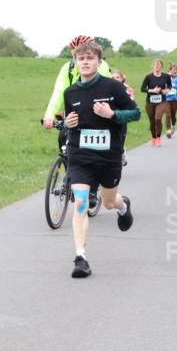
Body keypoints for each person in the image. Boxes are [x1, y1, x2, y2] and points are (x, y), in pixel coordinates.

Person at [62, 39, 139, 278]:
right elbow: (69, 120)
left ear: (98, 61)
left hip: (108, 157)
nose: (85, 63)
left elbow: (135, 113)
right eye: (81, 59)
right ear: (75, 63)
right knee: (81, 203)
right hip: (80, 155)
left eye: (90, 58)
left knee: (107, 202)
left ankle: (122, 205)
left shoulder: (113, 88)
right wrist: (67, 123)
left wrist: (112, 114)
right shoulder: (70, 92)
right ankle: (80, 257)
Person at [42, 35, 112, 211]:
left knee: (92, 150)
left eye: (87, 54)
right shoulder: (67, 68)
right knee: (63, 137)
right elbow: (58, 92)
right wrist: (49, 115)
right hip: (73, 110)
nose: (83, 58)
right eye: (77, 54)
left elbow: (104, 90)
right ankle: (69, 167)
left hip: (95, 111)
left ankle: (93, 189)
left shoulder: (101, 66)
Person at [139, 59, 172, 146]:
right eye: (155, 65)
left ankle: (158, 138)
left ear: (161, 66)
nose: (157, 66)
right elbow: (142, 89)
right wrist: (152, 90)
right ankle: (153, 137)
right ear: (153, 66)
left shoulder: (166, 76)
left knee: (158, 118)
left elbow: (170, 86)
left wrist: (167, 90)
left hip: (162, 100)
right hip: (150, 102)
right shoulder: (148, 77)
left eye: (159, 65)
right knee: (152, 121)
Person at [111, 69, 134, 166]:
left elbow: (131, 103)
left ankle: (122, 152)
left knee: (119, 142)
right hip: (110, 118)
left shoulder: (127, 89)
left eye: (117, 77)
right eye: (113, 78)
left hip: (122, 119)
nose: (115, 80)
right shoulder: (107, 88)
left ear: (122, 79)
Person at [164, 63, 177, 138]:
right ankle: (168, 131)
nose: (175, 71)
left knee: (173, 115)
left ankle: (173, 125)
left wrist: (175, 85)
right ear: (169, 70)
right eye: (173, 70)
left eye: (176, 70)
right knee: (167, 115)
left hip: (175, 99)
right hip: (166, 99)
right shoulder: (165, 77)